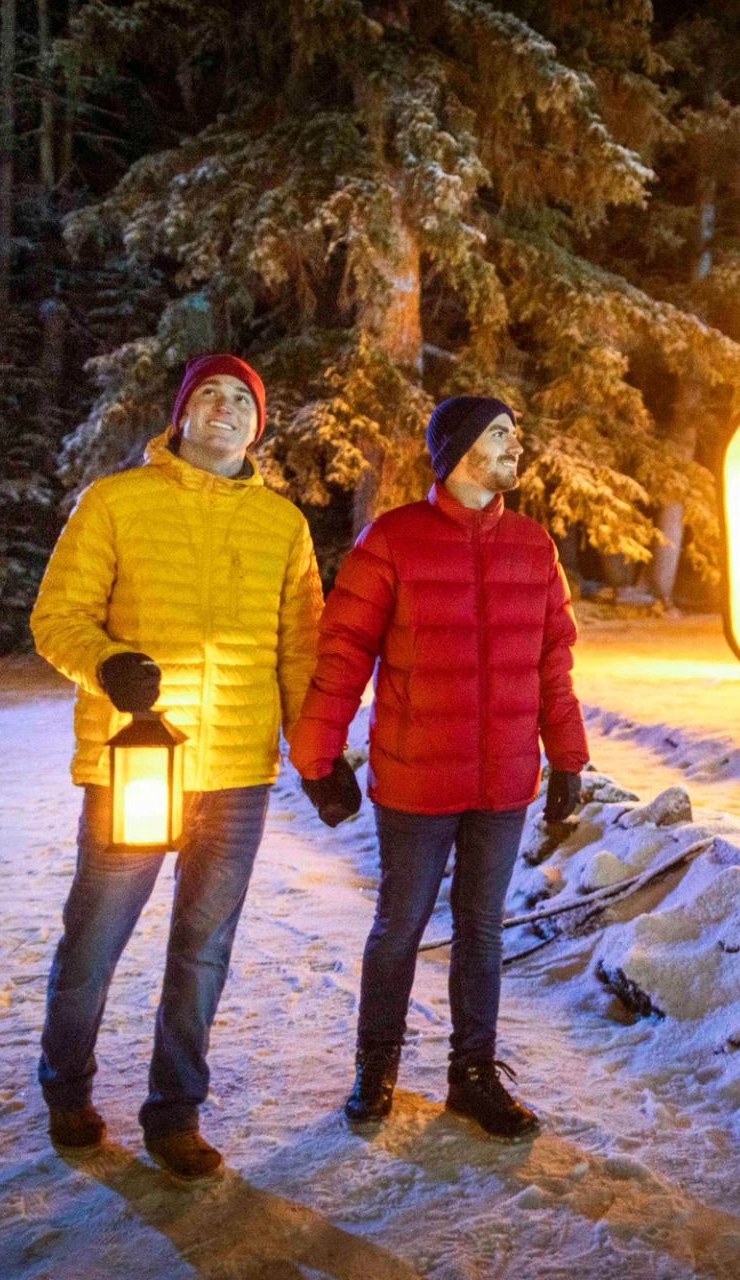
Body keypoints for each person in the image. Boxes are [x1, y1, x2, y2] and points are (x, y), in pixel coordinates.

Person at [29, 354, 323, 1181]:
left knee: (204, 948)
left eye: (242, 400)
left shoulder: (283, 526)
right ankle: (68, 1086)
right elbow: (57, 617)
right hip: (136, 763)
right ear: (181, 412)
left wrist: (318, 753)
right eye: (209, 395)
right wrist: (110, 662)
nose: (225, 409)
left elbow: (302, 652)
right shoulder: (115, 502)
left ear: (257, 424)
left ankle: (174, 1112)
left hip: (236, 776)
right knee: (96, 937)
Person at [289, 394, 589, 1141]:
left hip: (503, 781)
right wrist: (317, 756)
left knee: (482, 931)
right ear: (457, 451)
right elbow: (343, 654)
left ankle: (474, 1076)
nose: (515, 447)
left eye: (516, 434)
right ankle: (377, 1067)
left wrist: (569, 758)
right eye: (499, 435)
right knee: (400, 926)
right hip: (418, 777)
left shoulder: (532, 545)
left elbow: (554, 663)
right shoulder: (392, 541)